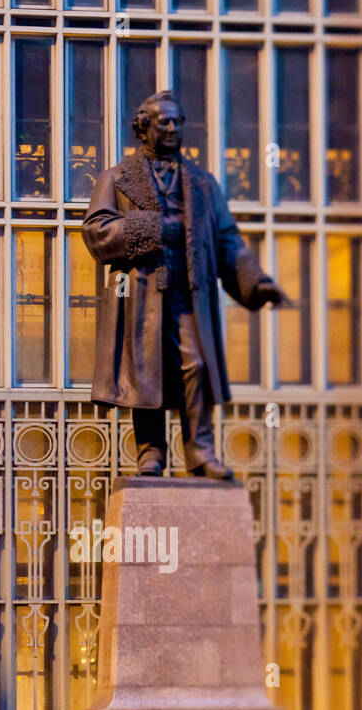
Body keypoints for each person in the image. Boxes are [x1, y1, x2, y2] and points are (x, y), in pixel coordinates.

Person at [81, 90, 290, 479]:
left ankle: (199, 450)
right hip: (143, 294)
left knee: (196, 364)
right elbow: (97, 231)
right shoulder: (116, 178)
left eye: (178, 121)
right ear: (145, 127)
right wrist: (155, 227)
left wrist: (255, 282)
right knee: (148, 369)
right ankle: (150, 452)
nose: (174, 128)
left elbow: (228, 239)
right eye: (165, 121)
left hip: (190, 295)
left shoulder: (203, 183)